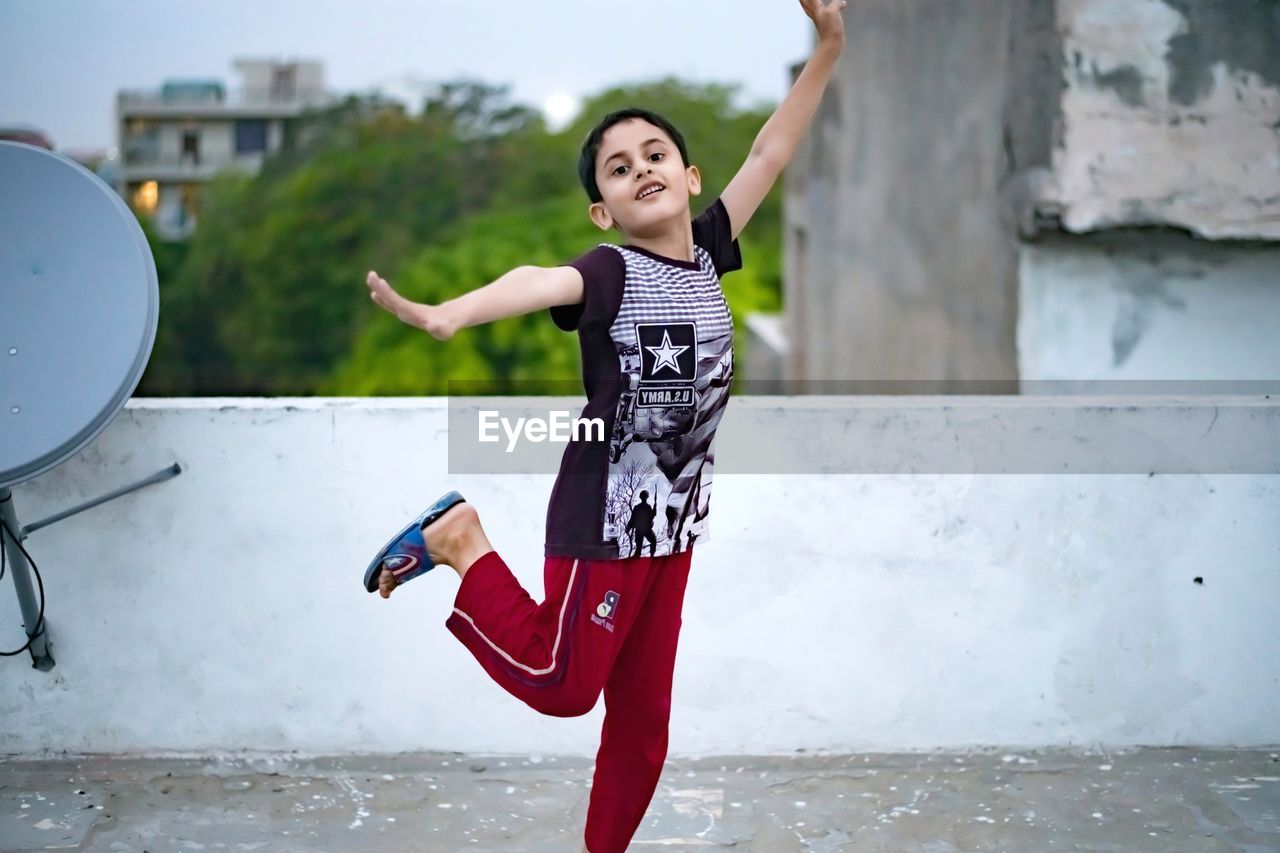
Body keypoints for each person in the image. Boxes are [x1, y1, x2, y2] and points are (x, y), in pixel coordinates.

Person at [362, 3, 846, 849]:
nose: (642, 170)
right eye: (619, 169)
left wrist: (830, 43)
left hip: (676, 525)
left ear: (691, 176)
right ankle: (460, 540)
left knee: (643, 725)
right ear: (604, 210)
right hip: (605, 515)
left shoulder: (707, 249)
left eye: (656, 155)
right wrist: (449, 315)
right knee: (563, 684)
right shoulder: (609, 273)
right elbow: (533, 278)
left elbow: (772, 147)